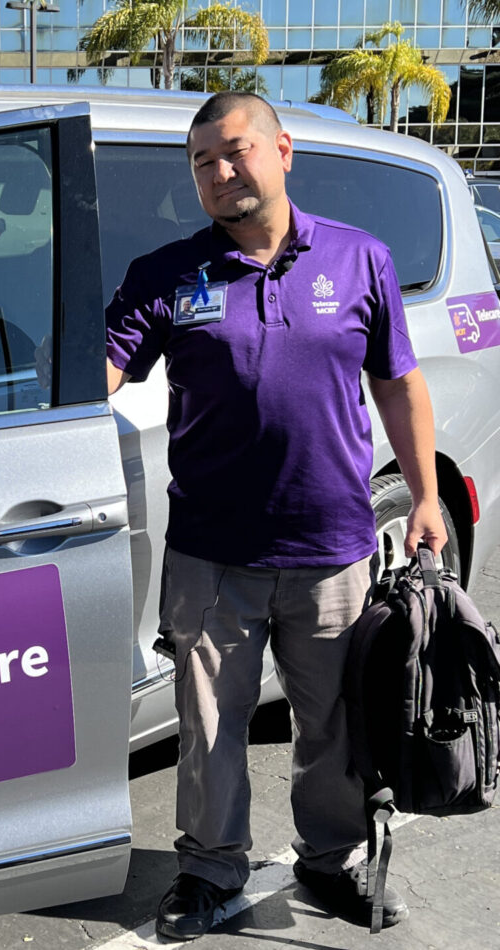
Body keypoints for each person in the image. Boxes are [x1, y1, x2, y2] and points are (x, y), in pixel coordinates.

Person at [103, 92, 447, 941]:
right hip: (213, 556)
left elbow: (399, 384)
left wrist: (428, 494)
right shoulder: (168, 276)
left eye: (235, 151)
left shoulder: (359, 260)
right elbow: (99, 372)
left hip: (332, 548)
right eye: (202, 164)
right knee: (210, 728)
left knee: (333, 724)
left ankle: (331, 865)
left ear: (283, 150)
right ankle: (210, 869)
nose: (221, 173)